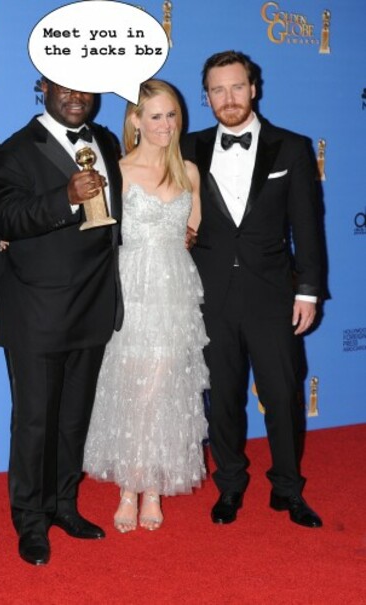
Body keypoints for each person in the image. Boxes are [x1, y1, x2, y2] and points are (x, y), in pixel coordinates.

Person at [181, 50, 324, 528]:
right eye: (218, 90)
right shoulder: (187, 148)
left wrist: (308, 289)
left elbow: (308, 225)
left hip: (272, 296)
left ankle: (287, 488)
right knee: (222, 398)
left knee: (282, 396)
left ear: (254, 88)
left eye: (236, 87)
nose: (228, 98)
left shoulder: (291, 147)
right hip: (209, 296)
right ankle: (230, 486)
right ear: (206, 98)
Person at [0, 78, 123, 565]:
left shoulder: (105, 141)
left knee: (72, 421)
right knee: (34, 423)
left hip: (93, 305)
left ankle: (64, 505)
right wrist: (65, 197)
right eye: (65, 86)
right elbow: (4, 218)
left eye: (86, 88)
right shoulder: (15, 151)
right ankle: (30, 520)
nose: (76, 96)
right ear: (42, 87)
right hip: (38, 312)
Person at [84, 80, 209, 533]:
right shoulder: (113, 171)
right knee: (134, 388)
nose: (165, 125)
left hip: (174, 295)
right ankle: (128, 488)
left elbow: (191, 234)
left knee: (166, 388)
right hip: (129, 292)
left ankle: (152, 487)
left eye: (172, 115)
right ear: (135, 119)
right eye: (155, 115)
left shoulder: (189, 172)